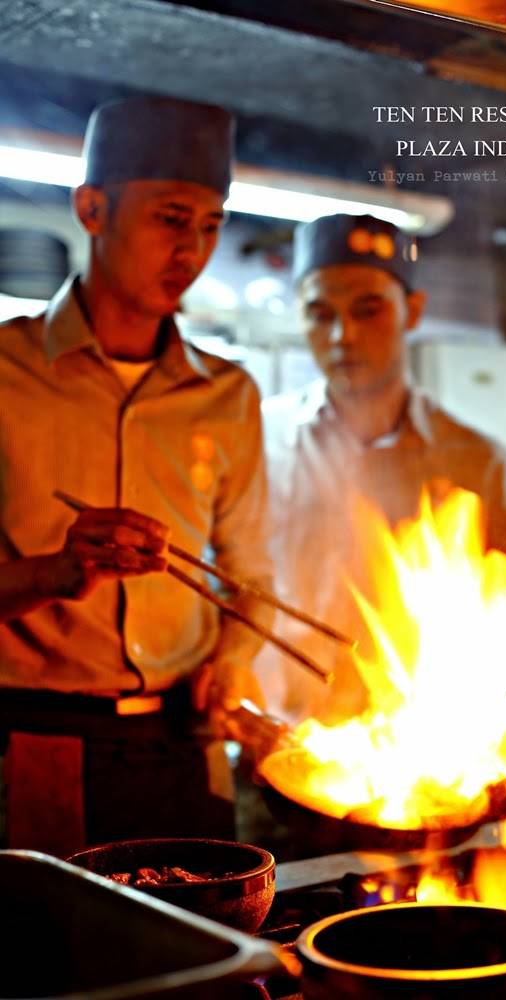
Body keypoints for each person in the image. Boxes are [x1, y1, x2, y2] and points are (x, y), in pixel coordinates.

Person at [0, 94, 274, 856]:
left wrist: (234, 658)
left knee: (206, 961)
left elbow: (250, 574)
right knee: (53, 967)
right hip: (39, 747)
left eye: (212, 225)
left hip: (182, 748)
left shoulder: (228, 393)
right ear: (92, 208)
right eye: (170, 218)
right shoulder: (5, 372)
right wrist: (56, 572)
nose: (192, 250)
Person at [257, 213, 506, 728]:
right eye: (320, 313)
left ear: (412, 311)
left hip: (422, 757)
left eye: (367, 310)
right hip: (286, 738)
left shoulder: (475, 459)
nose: (342, 335)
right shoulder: (261, 441)